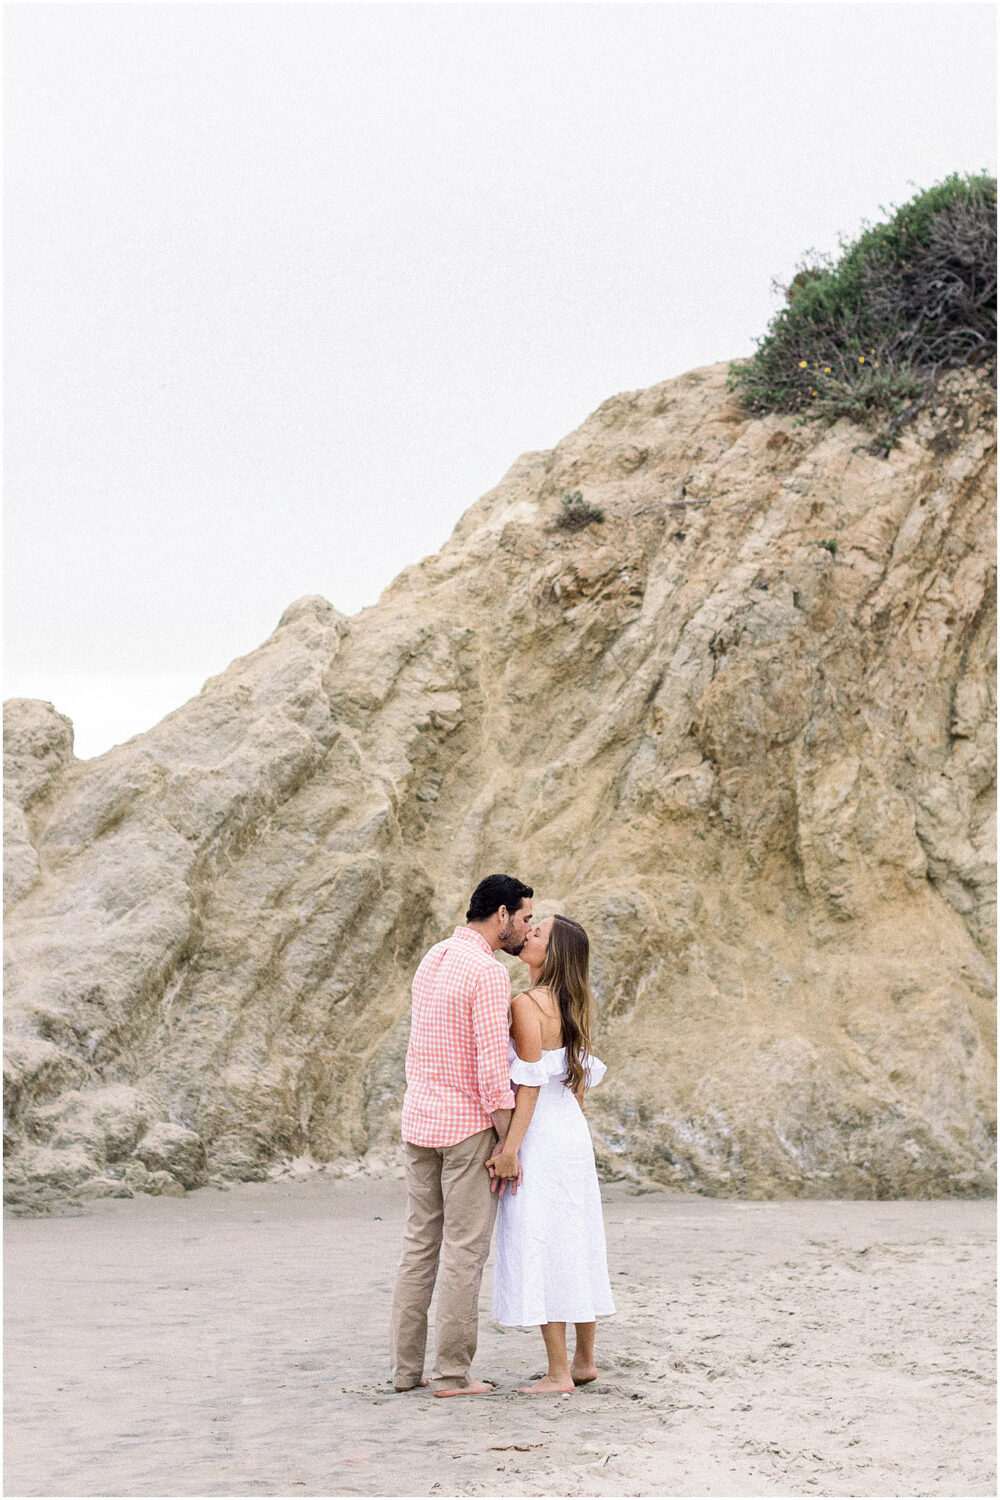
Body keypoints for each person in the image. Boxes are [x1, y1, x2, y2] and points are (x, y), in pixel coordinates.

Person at [389, 873, 534, 1398]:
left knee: (418, 1246)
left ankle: (406, 1371)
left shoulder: (435, 957)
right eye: (524, 919)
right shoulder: (489, 973)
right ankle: (453, 1374)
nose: (526, 929)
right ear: (501, 916)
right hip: (467, 1127)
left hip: (419, 1123)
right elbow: (492, 1067)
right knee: (464, 1251)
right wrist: (507, 1141)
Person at [486, 914, 615, 1394]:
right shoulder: (573, 1003)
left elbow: (530, 1087)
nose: (527, 935)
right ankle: (583, 1360)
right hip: (571, 1133)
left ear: (552, 952)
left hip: (539, 1131)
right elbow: (574, 1085)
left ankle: (558, 1373)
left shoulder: (526, 1004)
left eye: (537, 933)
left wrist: (509, 1149)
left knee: (543, 1241)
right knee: (577, 1237)